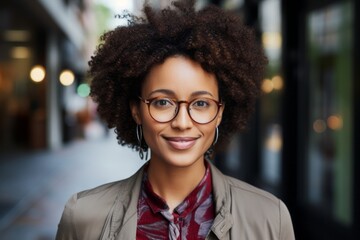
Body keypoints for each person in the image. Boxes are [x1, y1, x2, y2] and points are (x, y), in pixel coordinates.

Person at [56, 0, 295, 239]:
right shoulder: (83, 217)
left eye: (201, 104)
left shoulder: (270, 219)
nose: (182, 122)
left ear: (220, 112)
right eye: (162, 102)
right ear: (136, 110)